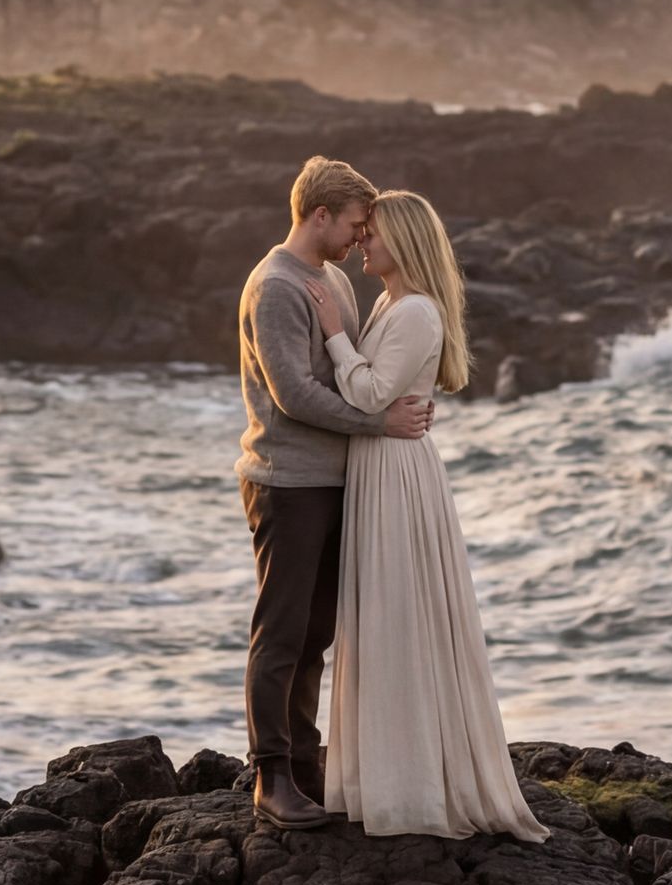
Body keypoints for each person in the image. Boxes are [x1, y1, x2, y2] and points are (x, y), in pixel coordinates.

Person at [311, 189, 548, 842]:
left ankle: (411, 787)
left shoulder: (414, 310)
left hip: (395, 472)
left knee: (398, 619)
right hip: (381, 465)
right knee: (384, 621)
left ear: (405, 240)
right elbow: (376, 392)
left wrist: (334, 332)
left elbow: (365, 391)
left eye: (373, 232)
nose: (363, 240)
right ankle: (385, 774)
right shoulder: (391, 302)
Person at [235, 157, 434, 831]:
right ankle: (271, 778)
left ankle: (306, 767)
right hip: (287, 482)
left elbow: (355, 370)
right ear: (319, 215)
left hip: (332, 482)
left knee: (317, 633)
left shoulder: (335, 282)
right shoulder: (277, 286)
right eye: (353, 223)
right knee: (282, 630)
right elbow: (294, 395)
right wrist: (379, 422)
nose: (358, 236)